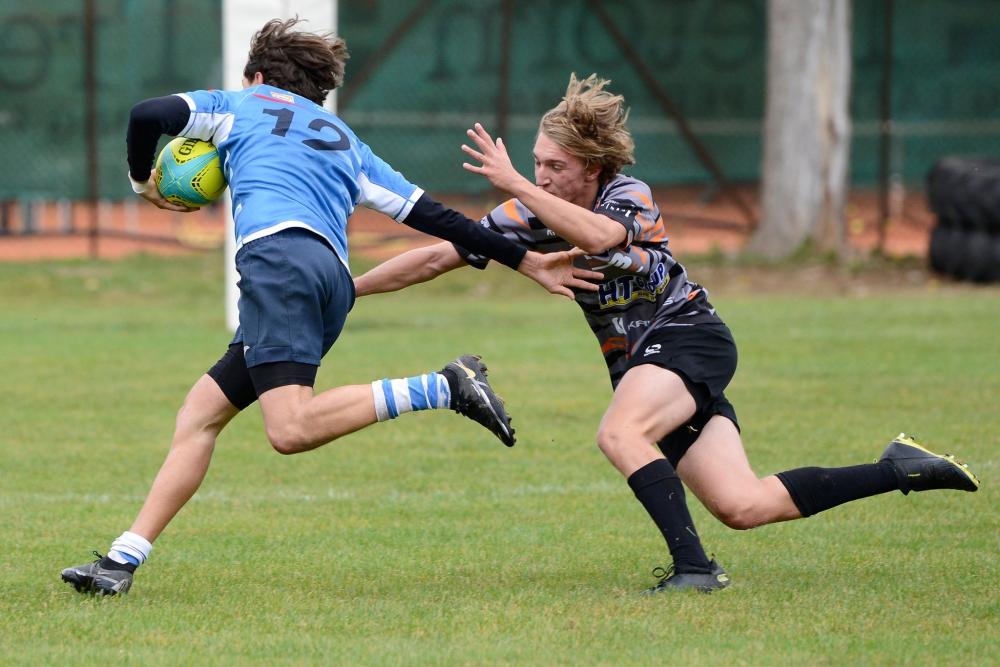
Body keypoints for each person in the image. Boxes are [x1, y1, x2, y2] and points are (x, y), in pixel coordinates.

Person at [353, 73, 981, 594]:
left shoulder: (627, 193)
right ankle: (899, 469)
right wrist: (348, 289)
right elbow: (438, 256)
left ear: (592, 166)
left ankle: (695, 570)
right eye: (536, 164)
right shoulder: (529, 213)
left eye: (554, 166)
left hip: (688, 336)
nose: (540, 176)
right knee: (743, 505)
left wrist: (513, 180)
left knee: (620, 433)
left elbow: (602, 237)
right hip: (645, 366)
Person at [60, 19, 602, 597]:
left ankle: (443, 386)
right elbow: (439, 218)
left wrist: (142, 182)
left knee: (289, 429)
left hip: (278, 266)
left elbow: (147, 115)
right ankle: (120, 562)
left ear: (258, 76)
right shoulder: (347, 142)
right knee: (200, 414)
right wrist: (524, 260)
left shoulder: (238, 104)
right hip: (329, 282)